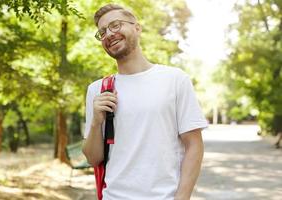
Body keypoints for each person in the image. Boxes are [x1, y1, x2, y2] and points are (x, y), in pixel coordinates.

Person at [82, 4, 208, 200]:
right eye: (102, 32)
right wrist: (96, 122)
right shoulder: (97, 90)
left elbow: (194, 145)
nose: (109, 34)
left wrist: (182, 197)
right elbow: (93, 158)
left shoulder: (174, 79)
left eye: (115, 25)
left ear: (137, 28)